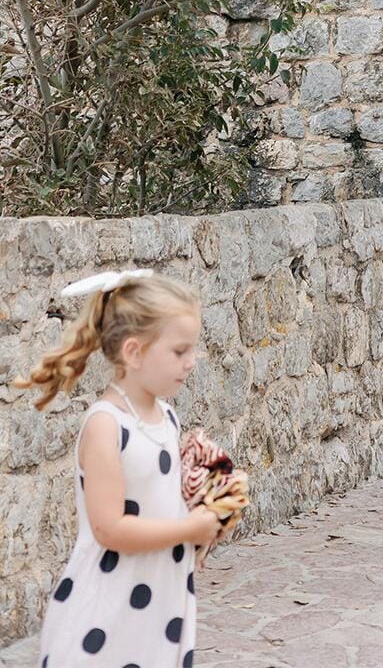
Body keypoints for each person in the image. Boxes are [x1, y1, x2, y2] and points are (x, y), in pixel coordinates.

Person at [14, 270, 221, 668]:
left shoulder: (167, 418)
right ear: (134, 352)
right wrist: (188, 530)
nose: (191, 362)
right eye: (180, 351)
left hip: (160, 606)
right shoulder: (106, 425)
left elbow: (162, 505)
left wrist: (204, 521)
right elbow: (109, 528)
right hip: (107, 612)